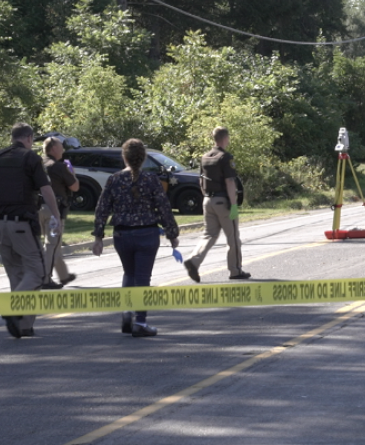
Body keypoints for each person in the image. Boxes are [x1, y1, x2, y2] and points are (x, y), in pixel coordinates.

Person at [0, 123, 63, 338]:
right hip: (24, 225)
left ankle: (24, 326)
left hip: (3, 225)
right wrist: (56, 216)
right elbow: (46, 189)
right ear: (28, 138)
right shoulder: (30, 158)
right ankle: (12, 308)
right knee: (37, 273)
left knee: (16, 274)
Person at [92, 139, 181, 337]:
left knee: (129, 273)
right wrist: (172, 234)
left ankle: (127, 310)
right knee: (142, 278)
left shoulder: (114, 179)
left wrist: (98, 236)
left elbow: (102, 208)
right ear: (143, 159)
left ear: (123, 157)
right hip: (147, 233)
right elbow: (164, 207)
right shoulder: (151, 180)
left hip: (122, 234)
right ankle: (140, 322)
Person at [183, 126, 250, 283]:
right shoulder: (225, 157)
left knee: (209, 235)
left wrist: (206, 197)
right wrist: (233, 205)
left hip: (207, 200)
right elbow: (230, 182)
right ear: (226, 138)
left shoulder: (205, 157)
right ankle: (235, 270)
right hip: (223, 202)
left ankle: (194, 260)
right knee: (232, 238)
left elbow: (201, 180)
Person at [38, 137, 79, 289]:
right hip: (53, 211)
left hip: (36, 209)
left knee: (52, 245)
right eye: (61, 146)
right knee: (51, 246)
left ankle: (63, 276)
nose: (62, 149)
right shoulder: (59, 166)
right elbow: (75, 187)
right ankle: (45, 279)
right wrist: (71, 172)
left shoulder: (38, 164)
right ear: (53, 148)